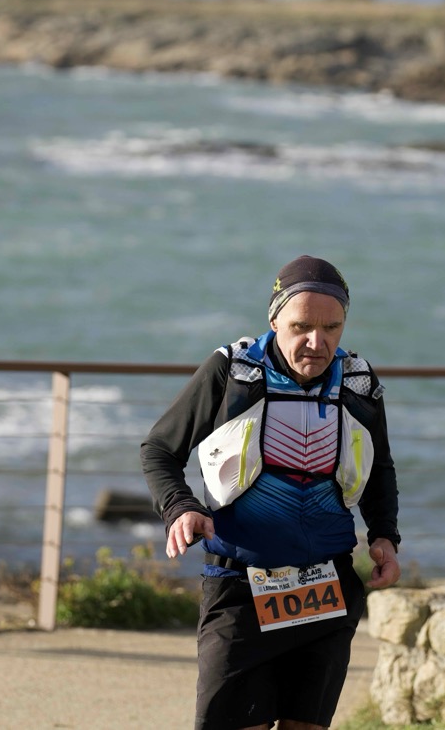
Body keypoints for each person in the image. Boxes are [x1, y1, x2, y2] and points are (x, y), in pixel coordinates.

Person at [141, 255, 401, 730]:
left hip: (327, 586)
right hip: (241, 586)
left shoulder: (359, 381)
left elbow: (379, 467)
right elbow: (159, 449)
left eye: (332, 327)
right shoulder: (231, 371)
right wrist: (181, 506)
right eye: (302, 326)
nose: (317, 342)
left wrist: (385, 534)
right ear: (274, 318)